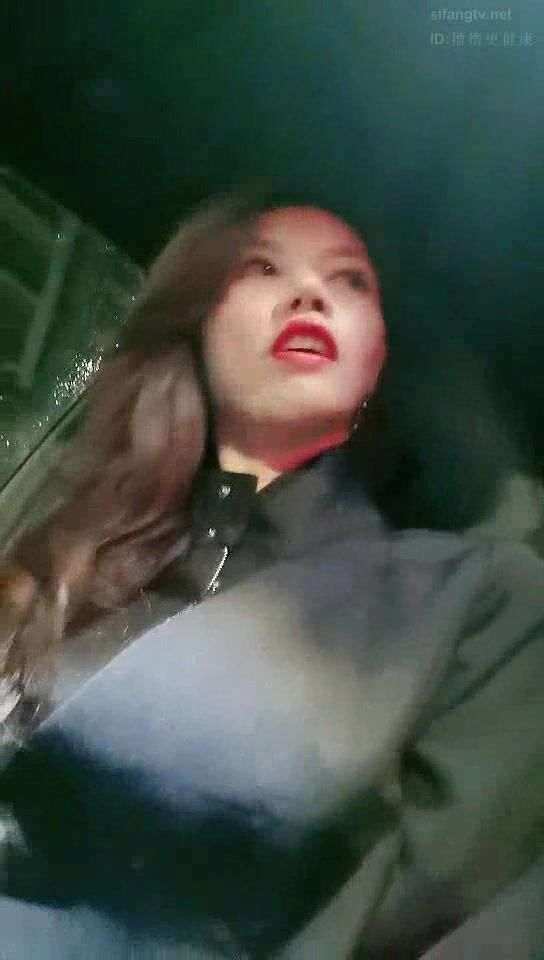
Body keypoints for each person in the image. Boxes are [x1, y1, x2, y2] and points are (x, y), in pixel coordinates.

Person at [0, 192, 543, 959]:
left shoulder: (476, 603)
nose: (309, 294)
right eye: (263, 267)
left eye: (348, 280)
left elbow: (452, 912)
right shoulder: (70, 529)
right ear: (196, 322)